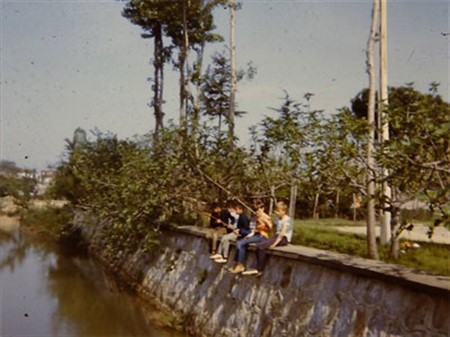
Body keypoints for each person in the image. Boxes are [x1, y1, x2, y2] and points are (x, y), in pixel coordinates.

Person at [242, 200, 293, 276]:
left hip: (283, 239)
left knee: (261, 247)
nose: (276, 212)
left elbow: (281, 234)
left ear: (284, 211)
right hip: (276, 236)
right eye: (275, 211)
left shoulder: (287, 220)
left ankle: (259, 269)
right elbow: (273, 229)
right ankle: (255, 267)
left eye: (278, 211)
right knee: (258, 245)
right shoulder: (277, 219)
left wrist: (274, 243)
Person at [228, 201, 273, 274]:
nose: (257, 212)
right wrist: (250, 235)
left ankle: (240, 265)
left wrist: (264, 220)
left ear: (263, 209)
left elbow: (271, 227)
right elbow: (254, 230)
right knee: (240, 242)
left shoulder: (266, 217)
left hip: (262, 236)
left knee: (241, 243)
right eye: (256, 210)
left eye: (258, 210)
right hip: (256, 235)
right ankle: (237, 263)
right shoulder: (255, 218)